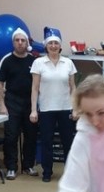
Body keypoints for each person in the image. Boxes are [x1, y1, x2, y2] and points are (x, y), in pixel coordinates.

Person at [30, 27, 77, 182]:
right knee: (46, 142)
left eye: (56, 43)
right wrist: (33, 110)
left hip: (65, 108)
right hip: (46, 109)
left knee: (68, 142)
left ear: (60, 45)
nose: (53, 46)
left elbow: (73, 87)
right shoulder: (38, 63)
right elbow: (34, 88)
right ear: (46, 45)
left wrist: (75, 108)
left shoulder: (68, 63)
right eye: (50, 43)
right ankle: (47, 172)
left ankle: (70, 174)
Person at [0, 28, 39, 180]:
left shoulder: (33, 61)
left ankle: (28, 166)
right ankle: (11, 167)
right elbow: (0, 83)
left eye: (23, 40)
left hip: (30, 103)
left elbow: (37, 84)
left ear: (27, 43)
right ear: (13, 43)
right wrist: (2, 105)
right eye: (17, 40)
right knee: (11, 136)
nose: (20, 43)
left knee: (31, 136)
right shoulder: (7, 60)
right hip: (12, 103)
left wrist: (35, 107)